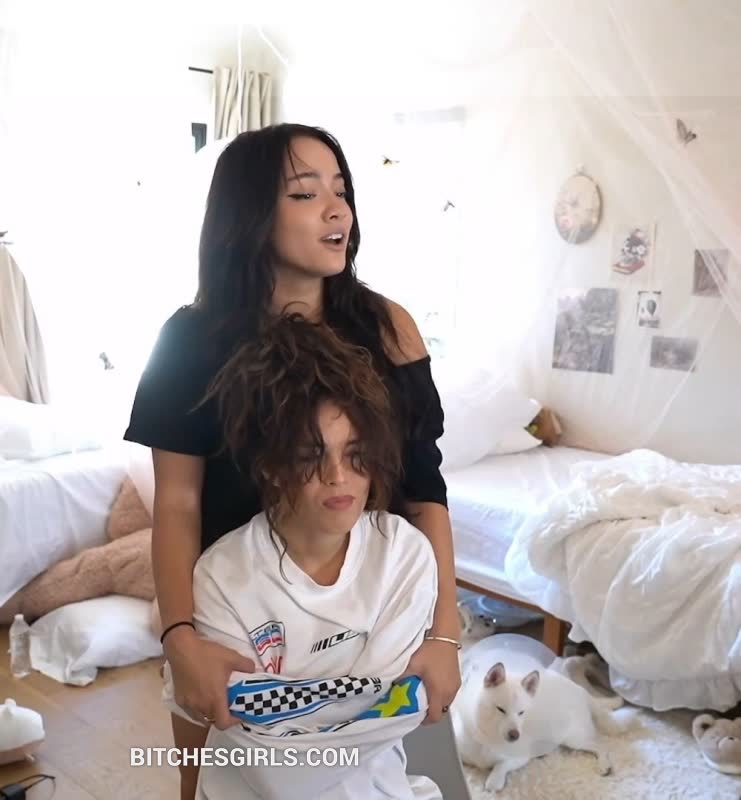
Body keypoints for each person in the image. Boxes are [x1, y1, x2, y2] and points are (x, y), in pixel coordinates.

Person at [124, 123, 461, 799]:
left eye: (342, 191)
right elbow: (178, 504)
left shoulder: (387, 327)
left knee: (377, 778)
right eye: (306, 194)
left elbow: (424, 492)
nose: (338, 211)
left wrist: (445, 634)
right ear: (249, 214)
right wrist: (181, 638)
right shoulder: (190, 340)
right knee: (216, 784)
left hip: (368, 618)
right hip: (235, 619)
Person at [162, 315, 443, 799]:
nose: (338, 476)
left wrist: (287, 711)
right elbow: (265, 764)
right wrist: (359, 703)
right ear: (271, 466)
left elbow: (387, 716)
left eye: (355, 453)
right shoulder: (222, 575)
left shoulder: (404, 555)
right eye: (311, 456)